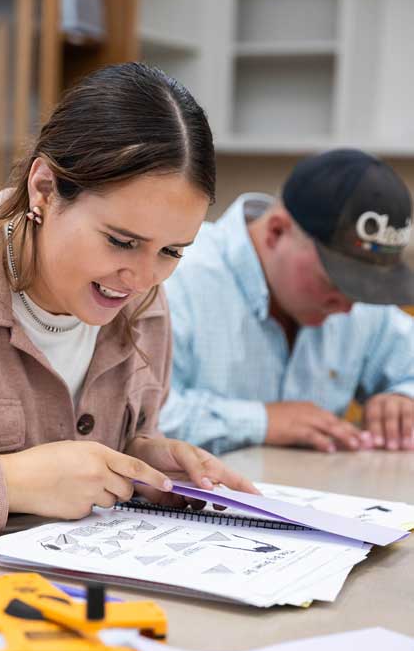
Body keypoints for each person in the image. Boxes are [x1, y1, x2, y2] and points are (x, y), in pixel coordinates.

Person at [0, 62, 257, 550]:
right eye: (121, 241)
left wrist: (139, 462)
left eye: (171, 251)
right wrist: (10, 481)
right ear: (44, 188)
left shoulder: (147, 309)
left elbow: (98, 462)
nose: (143, 278)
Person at [160, 149, 414, 455]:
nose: (348, 307)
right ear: (276, 232)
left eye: (366, 291)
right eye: (335, 282)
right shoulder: (174, 275)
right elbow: (135, 417)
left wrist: (402, 399)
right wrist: (262, 421)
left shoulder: (357, 304)